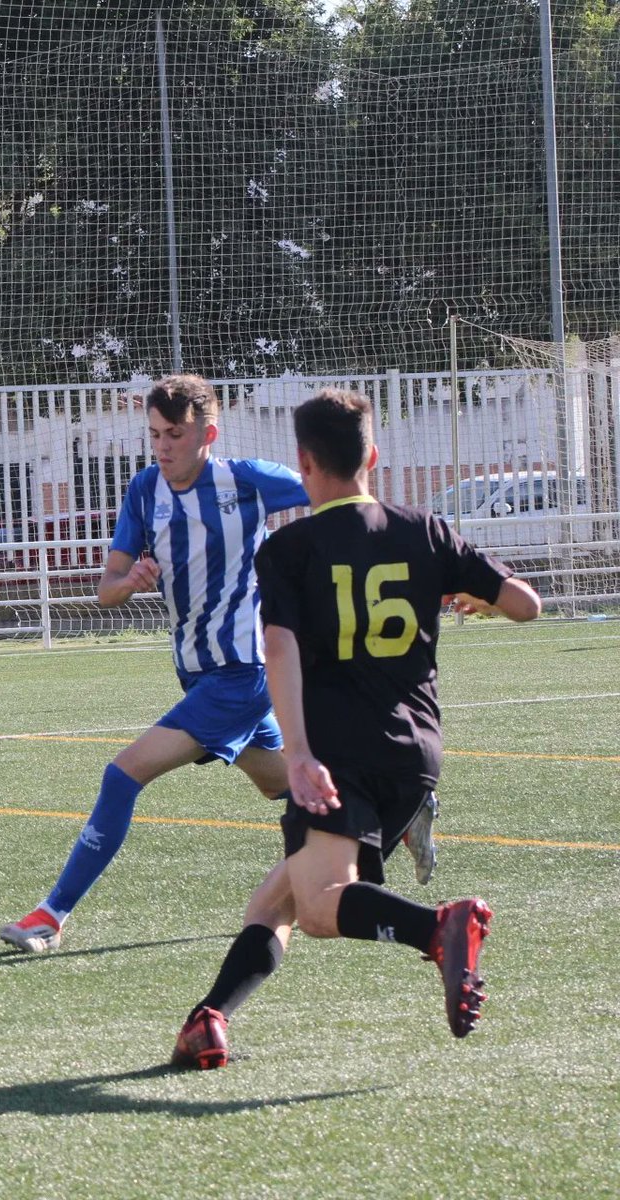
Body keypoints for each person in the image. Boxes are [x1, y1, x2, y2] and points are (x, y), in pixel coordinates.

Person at [171, 387, 541, 1069]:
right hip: (414, 756)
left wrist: (298, 753)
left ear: (305, 464)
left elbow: (279, 648)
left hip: (337, 754)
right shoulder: (425, 530)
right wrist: (475, 595)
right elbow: (526, 604)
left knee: (319, 907)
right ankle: (209, 1019)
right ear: (372, 457)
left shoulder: (290, 548)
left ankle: (439, 927)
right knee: (279, 897)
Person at [0, 372, 312, 953]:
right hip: (197, 672)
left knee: (123, 775)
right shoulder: (145, 490)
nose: (163, 447)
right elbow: (107, 590)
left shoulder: (246, 481)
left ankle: (51, 916)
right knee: (286, 786)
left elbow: (338, 493)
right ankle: (389, 808)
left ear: (207, 434)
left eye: (175, 434)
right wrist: (131, 580)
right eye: (155, 434)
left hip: (242, 672)